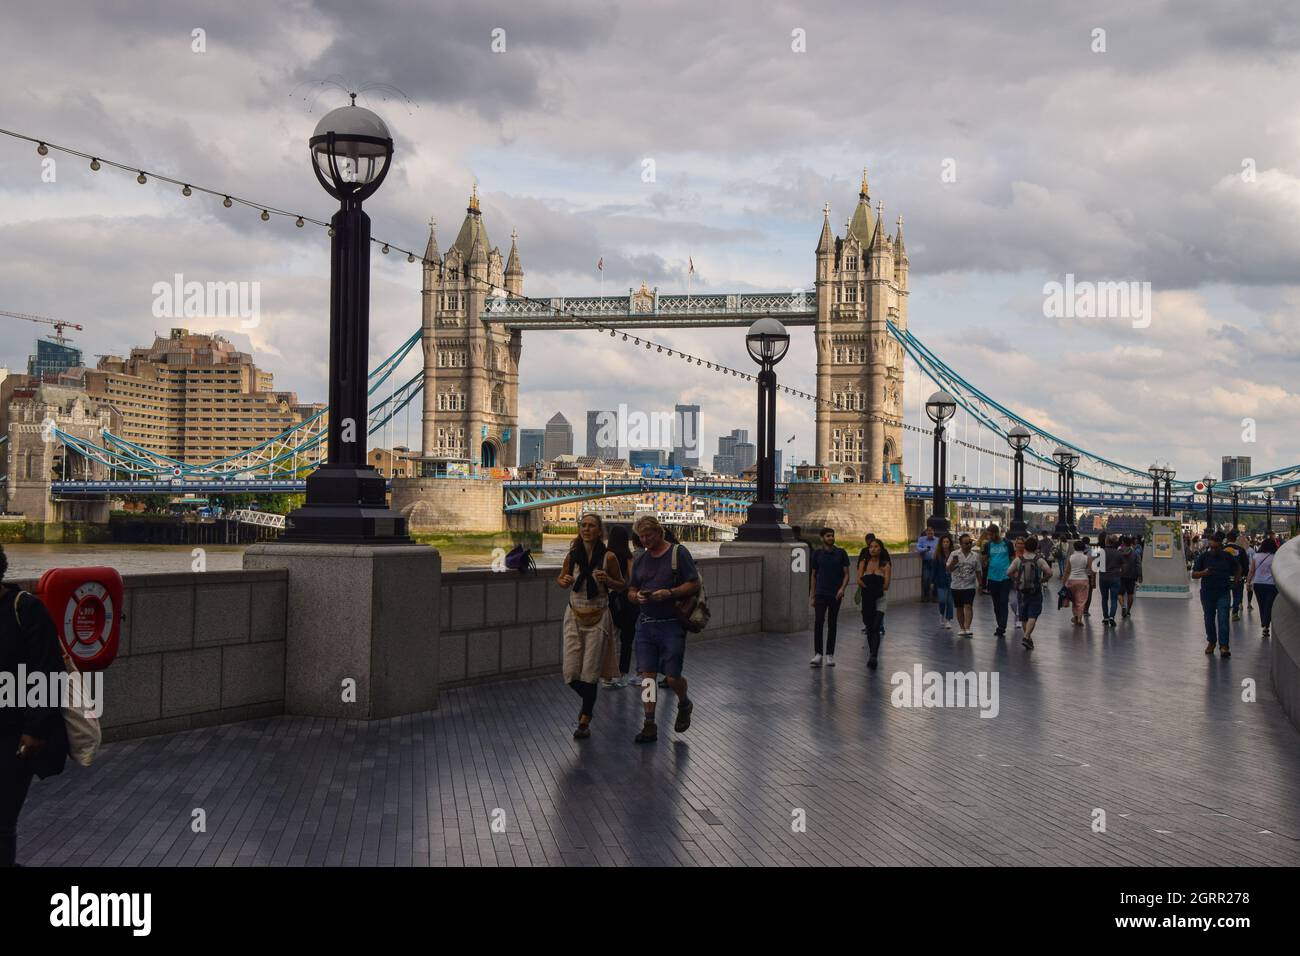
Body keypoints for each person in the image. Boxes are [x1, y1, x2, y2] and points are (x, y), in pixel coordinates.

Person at [1, 543, 70, 866]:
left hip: (15, 736)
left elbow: (48, 671)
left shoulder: (24, 609)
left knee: (2, 817)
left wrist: (35, 731)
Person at [627, 514, 700, 743]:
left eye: (649, 535)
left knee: (671, 676)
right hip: (646, 625)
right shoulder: (640, 559)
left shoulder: (679, 553)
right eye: (642, 536)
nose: (645, 540)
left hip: (672, 625)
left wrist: (670, 593)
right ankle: (649, 723)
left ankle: (684, 702)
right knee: (647, 677)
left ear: (659, 532)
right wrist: (636, 596)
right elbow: (631, 589)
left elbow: (694, 583)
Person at [556, 514, 625, 738]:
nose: (586, 529)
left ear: (599, 531)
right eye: (583, 526)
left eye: (591, 526)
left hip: (599, 616)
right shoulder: (572, 556)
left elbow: (622, 585)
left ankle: (585, 719)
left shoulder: (609, 558)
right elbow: (561, 578)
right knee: (570, 672)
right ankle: (589, 700)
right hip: (574, 615)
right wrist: (563, 581)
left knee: (591, 671)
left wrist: (608, 581)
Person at [1192, 532, 1239, 658]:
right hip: (1207, 593)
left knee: (1223, 619)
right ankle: (1211, 642)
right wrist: (1204, 573)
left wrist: (1235, 582)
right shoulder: (1204, 557)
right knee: (1209, 618)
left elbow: (1238, 568)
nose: (1213, 550)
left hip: (1223, 591)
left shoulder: (1227, 556)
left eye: (1216, 547)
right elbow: (1194, 574)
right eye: (1211, 547)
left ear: (1221, 545)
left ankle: (1224, 646)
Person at [809, 527, 850, 667]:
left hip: (835, 594)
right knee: (819, 622)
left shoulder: (841, 553)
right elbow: (813, 576)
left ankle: (830, 655)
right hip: (820, 593)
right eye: (828, 536)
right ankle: (818, 654)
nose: (831, 538)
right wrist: (812, 596)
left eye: (832, 535)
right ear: (822, 538)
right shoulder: (817, 554)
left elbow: (846, 574)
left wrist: (842, 589)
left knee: (832, 624)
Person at [604, 524, 638, 688]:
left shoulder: (606, 556)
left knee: (611, 637)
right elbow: (632, 579)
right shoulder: (627, 556)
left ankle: (608, 676)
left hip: (609, 600)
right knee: (626, 639)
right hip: (627, 601)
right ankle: (621, 674)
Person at [1008, 537, 1053, 650]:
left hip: (1022, 591)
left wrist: (1016, 580)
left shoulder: (1019, 559)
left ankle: (1027, 637)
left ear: (1025, 547)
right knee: (1033, 615)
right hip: (1035, 591)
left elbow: (1008, 572)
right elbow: (1049, 572)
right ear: (1036, 547)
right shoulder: (1039, 560)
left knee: (1024, 617)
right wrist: (1042, 580)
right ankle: (1026, 636)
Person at [857, 539, 891, 668]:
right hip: (866, 599)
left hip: (880, 599)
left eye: (876, 546)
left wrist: (874, 589)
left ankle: (873, 656)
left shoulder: (885, 565)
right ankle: (872, 652)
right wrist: (869, 589)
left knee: (876, 626)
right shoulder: (863, 563)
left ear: (880, 549)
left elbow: (886, 585)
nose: (873, 549)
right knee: (870, 627)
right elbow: (859, 580)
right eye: (871, 547)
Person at [979, 523, 1015, 637]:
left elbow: (1012, 558)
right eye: (988, 535)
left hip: (1005, 577)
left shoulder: (1007, 544)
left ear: (996, 533)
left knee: (1003, 601)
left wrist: (1014, 573)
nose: (989, 537)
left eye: (990, 534)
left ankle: (1002, 626)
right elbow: (984, 560)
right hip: (992, 577)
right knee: (996, 603)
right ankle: (1000, 623)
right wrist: (983, 559)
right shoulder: (988, 545)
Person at [947, 533, 981, 638]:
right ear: (960, 544)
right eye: (966, 543)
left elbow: (978, 571)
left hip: (970, 585)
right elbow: (948, 569)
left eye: (970, 543)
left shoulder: (975, 556)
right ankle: (961, 627)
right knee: (959, 607)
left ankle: (967, 627)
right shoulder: (954, 554)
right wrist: (953, 562)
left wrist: (980, 584)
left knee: (968, 605)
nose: (969, 545)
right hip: (956, 585)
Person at [1248, 537, 1278, 638]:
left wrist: (1248, 582)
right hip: (1272, 584)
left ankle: (1264, 624)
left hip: (1258, 584)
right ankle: (1266, 625)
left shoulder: (1256, 556)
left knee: (1261, 604)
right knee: (1269, 605)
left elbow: (1252, 571)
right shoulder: (1275, 557)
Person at [1065, 539, 1093, 626]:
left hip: (1072, 580)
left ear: (1074, 547)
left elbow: (1067, 571)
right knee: (1081, 601)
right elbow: (1092, 570)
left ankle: (1076, 617)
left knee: (1074, 600)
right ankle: (1079, 619)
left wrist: (1064, 582)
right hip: (1083, 580)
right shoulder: (1087, 558)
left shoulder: (1071, 557)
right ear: (1084, 548)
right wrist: (1093, 581)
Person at [1223, 531, 1250, 622]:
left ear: (1227, 539)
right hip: (1238, 576)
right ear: (1236, 539)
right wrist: (1245, 575)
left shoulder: (1222, 549)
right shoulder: (1241, 550)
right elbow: (1245, 564)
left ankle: (1224, 611)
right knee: (1237, 595)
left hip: (1224, 576)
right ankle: (1235, 613)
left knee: (1224, 594)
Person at [1098, 534, 1123, 626]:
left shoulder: (1101, 552)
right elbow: (1122, 564)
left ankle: (1105, 617)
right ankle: (1112, 616)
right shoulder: (1118, 553)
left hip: (1103, 578)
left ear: (1107, 542)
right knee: (1113, 599)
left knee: (1104, 598)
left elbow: (1097, 565)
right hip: (1115, 577)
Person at [932, 534, 955, 630]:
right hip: (940, 580)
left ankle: (948, 619)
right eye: (944, 542)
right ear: (941, 543)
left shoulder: (953, 554)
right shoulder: (937, 555)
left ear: (950, 543)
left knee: (950, 601)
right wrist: (932, 582)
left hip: (952, 580)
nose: (945, 544)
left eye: (947, 542)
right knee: (942, 600)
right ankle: (941, 614)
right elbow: (934, 569)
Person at [1118, 535, 1142, 619]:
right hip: (1132, 575)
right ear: (1131, 543)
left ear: (1123, 543)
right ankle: (1128, 611)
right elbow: (1138, 565)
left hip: (1121, 575)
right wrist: (1140, 576)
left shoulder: (1119, 552)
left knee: (1120, 593)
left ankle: (1123, 606)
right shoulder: (1135, 553)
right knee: (1130, 593)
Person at [914, 527, 939, 602]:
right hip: (926, 562)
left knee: (935, 579)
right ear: (926, 533)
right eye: (929, 533)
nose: (930, 534)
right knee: (926, 579)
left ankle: (935, 596)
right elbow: (918, 548)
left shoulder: (937, 540)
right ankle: (926, 595)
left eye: (932, 533)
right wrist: (925, 549)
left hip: (935, 562)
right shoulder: (922, 539)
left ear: (933, 532)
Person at [1008, 535, 1026, 630]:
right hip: (1012, 581)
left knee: (1021, 601)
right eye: (1018, 543)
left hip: (1023, 582)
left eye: (1022, 543)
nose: (1020, 545)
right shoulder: (1012, 555)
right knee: (1013, 602)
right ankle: (1016, 614)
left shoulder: (1027, 555)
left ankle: (1019, 618)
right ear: (1015, 544)